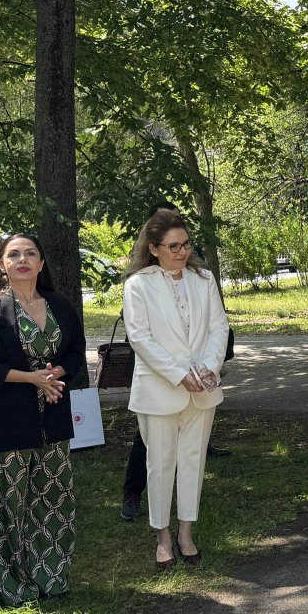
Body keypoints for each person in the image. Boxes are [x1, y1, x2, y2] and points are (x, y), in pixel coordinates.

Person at [0, 233, 87, 604]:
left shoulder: (60, 304)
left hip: (52, 413)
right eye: (13, 254)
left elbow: (77, 353)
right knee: (6, 503)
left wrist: (51, 377)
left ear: (41, 263)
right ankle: (11, 585)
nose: (22, 259)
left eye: (30, 253)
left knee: (52, 498)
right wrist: (32, 379)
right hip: (6, 418)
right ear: (1, 264)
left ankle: (51, 577)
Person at [122, 211, 228, 570]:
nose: (181, 252)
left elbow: (219, 327)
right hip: (159, 390)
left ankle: (186, 532)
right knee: (160, 464)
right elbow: (140, 338)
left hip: (203, 388)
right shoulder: (138, 285)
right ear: (153, 249)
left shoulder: (204, 279)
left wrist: (209, 368)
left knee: (193, 462)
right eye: (172, 246)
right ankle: (162, 536)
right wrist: (179, 373)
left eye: (185, 244)